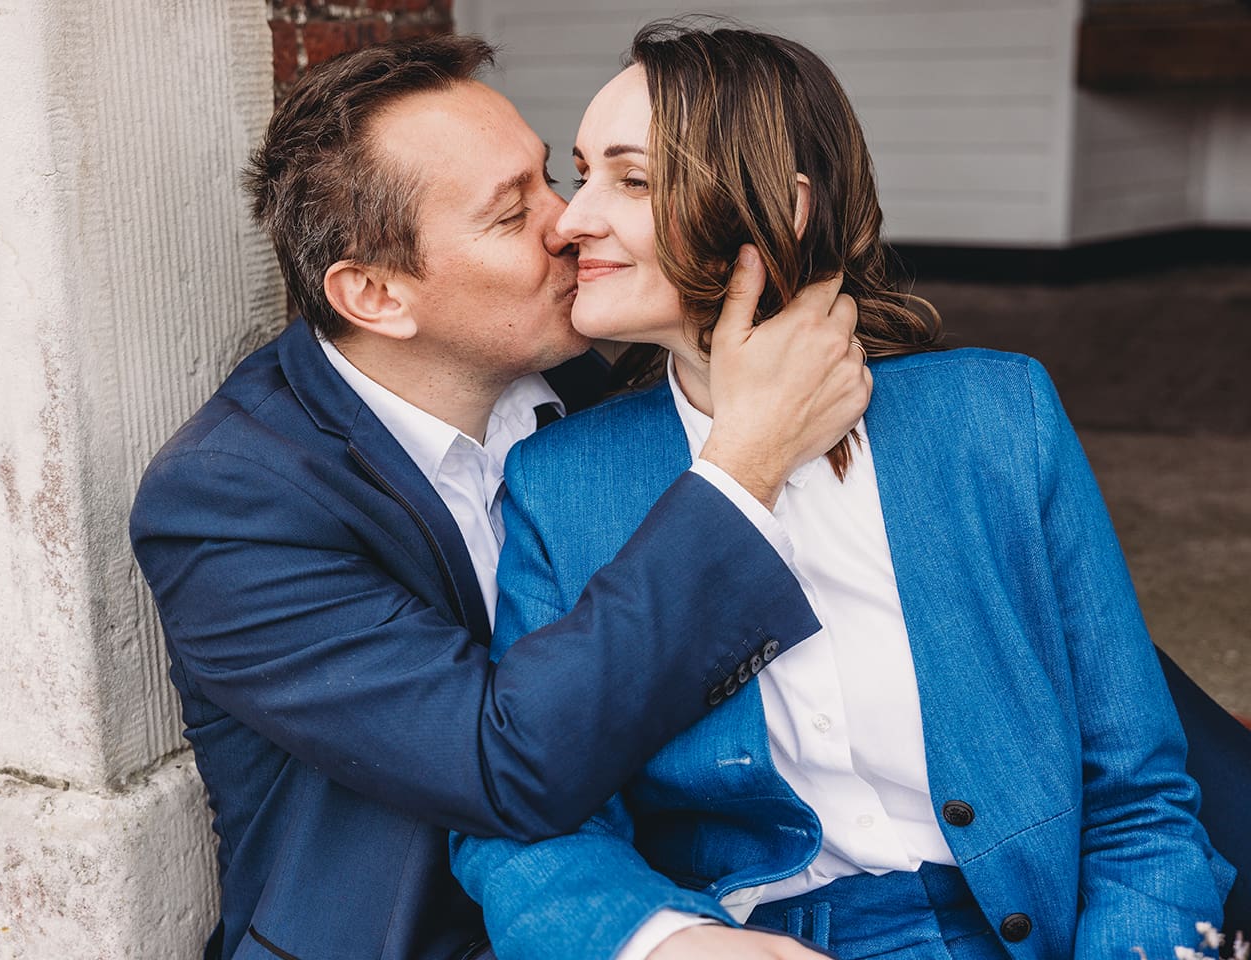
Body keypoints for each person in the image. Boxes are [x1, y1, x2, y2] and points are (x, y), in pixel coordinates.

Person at [449, 22, 1238, 960]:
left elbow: (1139, 798)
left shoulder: (994, 418)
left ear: (781, 208)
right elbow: (534, 815)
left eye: (634, 180)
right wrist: (667, 942)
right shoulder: (563, 481)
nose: (570, 221)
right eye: (583, 176)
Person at [129, 35, 876, 960]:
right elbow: (502, 762)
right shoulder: (229, 503)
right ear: (375, 295)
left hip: (654, 897)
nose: (569, 224)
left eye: (551, 179)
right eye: (513, 212)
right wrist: (746, 463)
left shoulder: (592, 385)